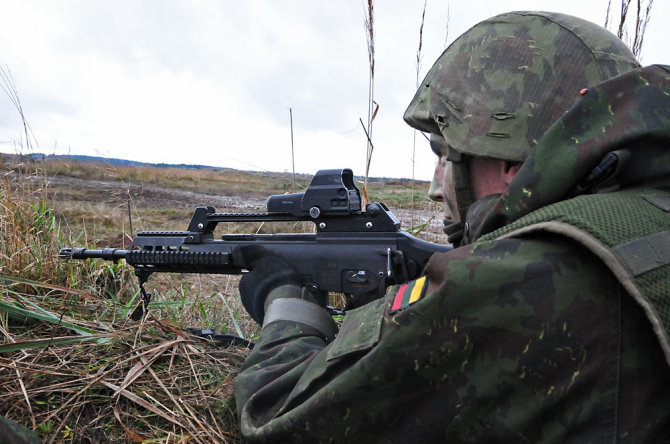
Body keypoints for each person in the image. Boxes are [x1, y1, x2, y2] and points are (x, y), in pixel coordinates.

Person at [234, 11, 670, 442]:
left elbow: (277, 416)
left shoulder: (523, 277)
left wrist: (286, 301)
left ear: (513, 165)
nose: (435, 190)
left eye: (445, 155)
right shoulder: (650, 216)